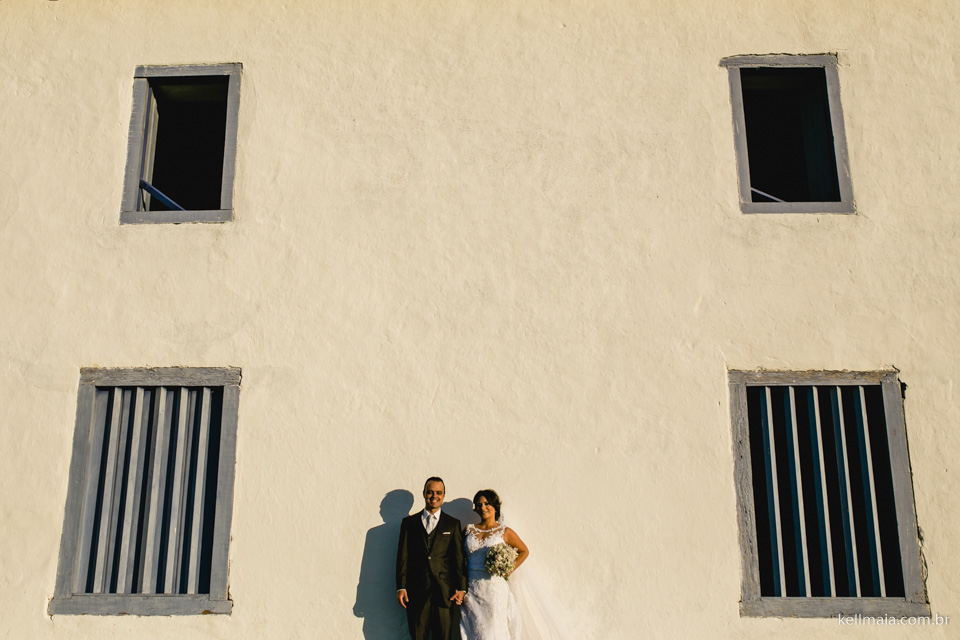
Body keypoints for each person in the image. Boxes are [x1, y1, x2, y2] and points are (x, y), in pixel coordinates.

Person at [397, 477, 468, 640]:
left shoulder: (452, 524)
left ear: (443, 496)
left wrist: (461, 588)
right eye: (430, 492)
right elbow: (402, 557)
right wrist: (401, 587)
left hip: (445, 593)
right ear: (424, 493)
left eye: (438, 493)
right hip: (416, 591)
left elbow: (458, 559)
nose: (434, 496)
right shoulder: (409, 523)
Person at [460, 489, 529, 640]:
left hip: (494, 590)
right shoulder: (468, 530)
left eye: (487, 504)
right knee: (474, 630)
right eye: (479, 505)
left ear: (495, 506)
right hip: (472, 589)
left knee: (493, 631)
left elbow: (524, 551)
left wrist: (508, 569)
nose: (483, 507)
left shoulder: (505, 531)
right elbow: (459, 558)